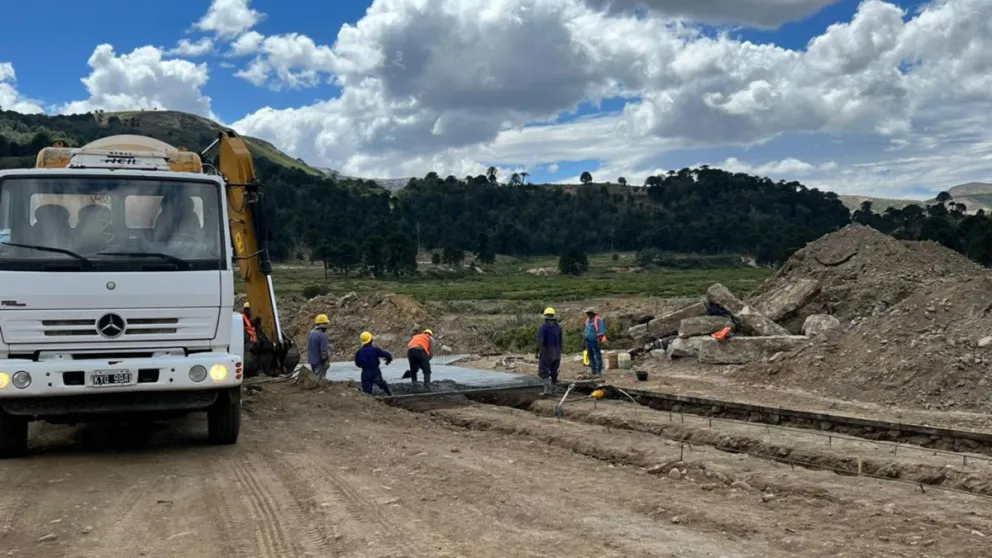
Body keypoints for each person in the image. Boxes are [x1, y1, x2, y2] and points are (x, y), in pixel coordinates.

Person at [354, 331, 393, 395]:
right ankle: (390, 394)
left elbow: (357, 363)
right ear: (371, 340)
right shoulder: (375, 349)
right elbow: (387, 355)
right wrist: (389, 359)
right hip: (375, 371)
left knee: (367, 391)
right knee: (381, 383)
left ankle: (369, 402)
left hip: (365, 372)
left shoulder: (359, 352)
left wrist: (363, 365)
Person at [536, 307, 563, 396]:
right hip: (557, 353)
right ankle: (554, 390)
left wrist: (537, 351)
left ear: (545, 316)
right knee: (554, 371)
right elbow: (561, 341)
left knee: (543, 371)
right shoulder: (558, 328)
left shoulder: (543, 328)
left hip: (546, 353)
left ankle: (547, 390)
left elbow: (540, 341)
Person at [307, 314, 332, 380]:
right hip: (319, 362)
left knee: (315, 378)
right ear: (323, 324)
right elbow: (323, 350)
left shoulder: (311, 333)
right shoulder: (323, 335)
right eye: (326, 323)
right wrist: (326, 360)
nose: (327, 325)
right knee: (320, 380)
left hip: (312, 360)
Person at [584, 308, 607, 376]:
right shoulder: (587, 321)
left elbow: (602, 332)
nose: (587, 315)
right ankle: (593, 370)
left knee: (598, 356)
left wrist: (598, 338)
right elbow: (586, 330)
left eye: (589, 313)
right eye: (587, 313)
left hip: (596, 341)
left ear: (592, 313)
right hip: (588, 341)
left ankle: (598, 371)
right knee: (590, 356)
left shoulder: (598, 321)